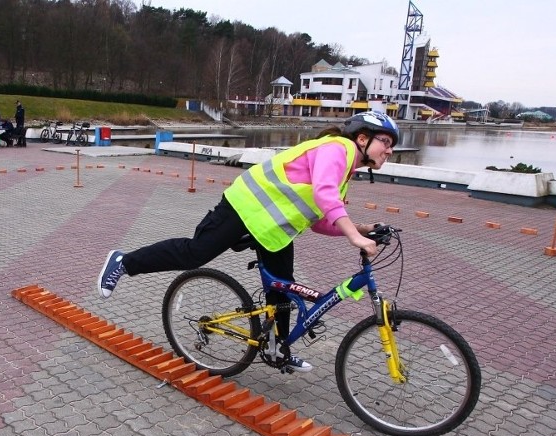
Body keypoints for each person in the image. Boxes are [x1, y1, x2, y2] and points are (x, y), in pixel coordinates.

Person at [96, 110, 399, 372]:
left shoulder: (345, 171)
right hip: (244, 208)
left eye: (391, 146)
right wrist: (353, 235)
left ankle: (280, 350)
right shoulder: (337, 149)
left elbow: (321, 219)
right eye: (385, 142)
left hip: (273, 229)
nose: (389, 150)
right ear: (363, 138)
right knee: (194, 253)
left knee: (283, 291)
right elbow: (324, 194)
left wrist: (362, 228)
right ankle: (125, 262)